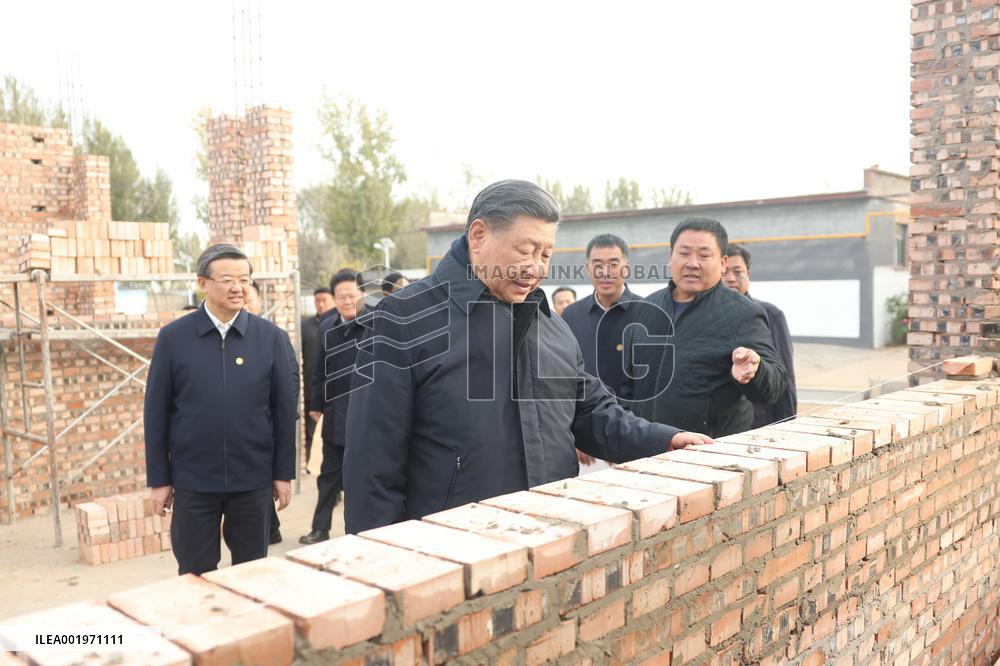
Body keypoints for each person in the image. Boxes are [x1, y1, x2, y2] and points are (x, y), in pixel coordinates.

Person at [343, 180, 712, 533]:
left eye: (546, 253)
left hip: (549, 535)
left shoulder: (548, 322)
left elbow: (592, 412)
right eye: (525, 250)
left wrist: (665, 440)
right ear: (479, 235)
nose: (536, 267)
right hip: (452, 548)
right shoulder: (405, 317)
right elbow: (371, 462)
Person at [144, 244, 299, 575]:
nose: (238, 287)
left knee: (251, 573)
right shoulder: (173, 338)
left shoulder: (270, 338)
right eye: (227, 279)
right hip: (194, 481)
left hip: (252, 480)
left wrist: (282, 473)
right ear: (203, 283)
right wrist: (160, 479)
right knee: (195, 573)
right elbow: (156, 413)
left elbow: (284, 413)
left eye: (244, 279)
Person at [620, 218, 788, 438]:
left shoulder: (743, 314)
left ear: (723, 262)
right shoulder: (646, 309)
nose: (692, 263)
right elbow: (627, 385)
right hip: (648, 448)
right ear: (670, 257)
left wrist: (755, 372)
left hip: (707, 454)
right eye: (684, 253)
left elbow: (775, 385)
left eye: (704, 255)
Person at [300, 271, 369, 544]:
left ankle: (360, 528)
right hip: (336, 413)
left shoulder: (375, 325)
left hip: (367, 415)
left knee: (362, 477)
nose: (348, 301)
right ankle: (320, 528)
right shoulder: (327, 328)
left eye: (352, 295)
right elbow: (319, 372)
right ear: (334, 299)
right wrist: (315, 404)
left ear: (361, 295)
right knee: (328, 475)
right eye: (342, 297)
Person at [561, 234, 638, 468]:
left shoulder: (648, 313)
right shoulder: (571, 316)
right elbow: (564, 380)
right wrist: (574, 436)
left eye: (613, 264)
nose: (605, 272)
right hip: (585, 450)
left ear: (626, 267)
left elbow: (651, 385)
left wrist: (631, 437)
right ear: (587, 268)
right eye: (597, 265)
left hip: (635, 440)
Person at [723, 244, 797, 427]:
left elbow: (784, 378)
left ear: (748, 274)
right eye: (724, 272)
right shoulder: (705, 316)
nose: (731, 279)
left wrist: (786, 426)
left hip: (760, 423)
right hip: (722, 425)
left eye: (738, 271)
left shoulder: (770, 315)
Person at [300, 287, 336, 468]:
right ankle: (312, 466)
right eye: (317, 301)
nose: (321, 304)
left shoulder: (340, 324)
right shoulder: (305, 326)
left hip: (334, 391)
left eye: (325, 300)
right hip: (310, 387)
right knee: (311, 432)